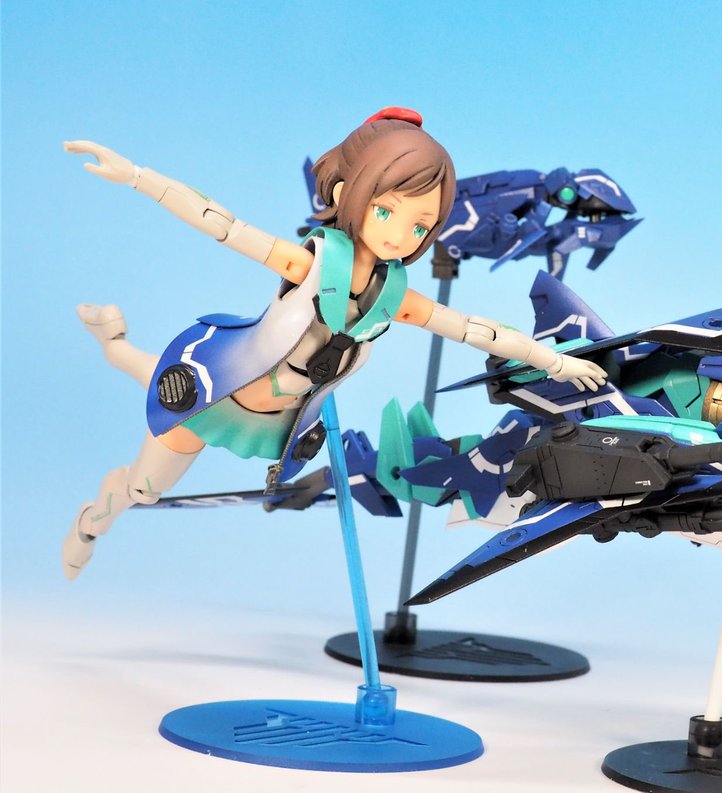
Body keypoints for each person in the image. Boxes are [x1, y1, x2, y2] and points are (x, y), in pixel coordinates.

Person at [62, 107, 606, 580]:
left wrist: (553, 360)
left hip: (277, 422)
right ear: (349, 195)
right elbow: (221, 223)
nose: (400, 234)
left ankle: (113, 341)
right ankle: (91, 521)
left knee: (145, 375)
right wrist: (136, 175)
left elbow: (472, 329)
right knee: (143, 488)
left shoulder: (393, 296)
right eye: (386, 211)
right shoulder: (308, 264)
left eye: (420, 226)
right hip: (217, 391)